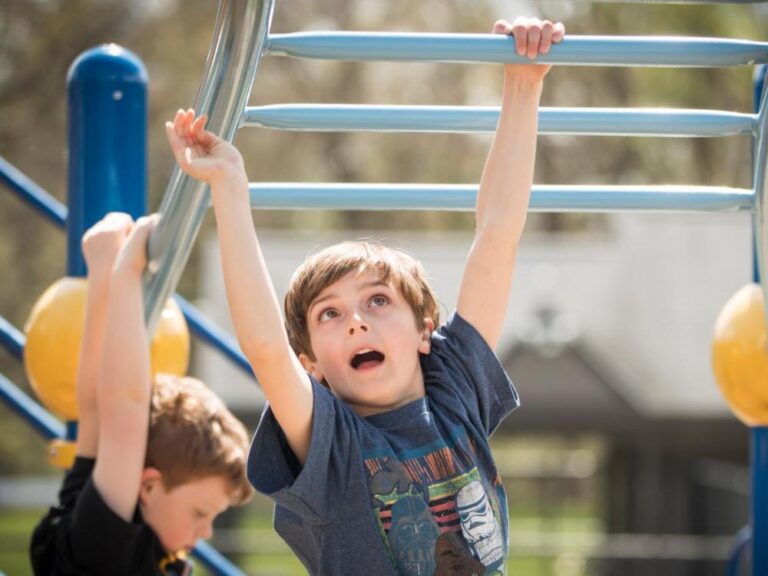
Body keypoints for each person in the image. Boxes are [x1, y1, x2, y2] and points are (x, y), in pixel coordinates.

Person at [166, 16, 564, 575]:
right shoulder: (334, 444)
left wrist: (523, 88)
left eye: (378, 301)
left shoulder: (455, 390)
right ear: (313, 367)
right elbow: (263, 346)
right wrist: (231, 191)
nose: (356, 321)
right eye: (330, 314)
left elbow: (497, 235)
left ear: (426, 331)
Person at [29, 213, 253, 576]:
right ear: (148, 485)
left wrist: (103, 271)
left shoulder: (100, 524)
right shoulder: (108, 544)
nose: (206, 531)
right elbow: (123, 408)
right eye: (200, 513)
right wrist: (126, 270)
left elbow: (94, 410)